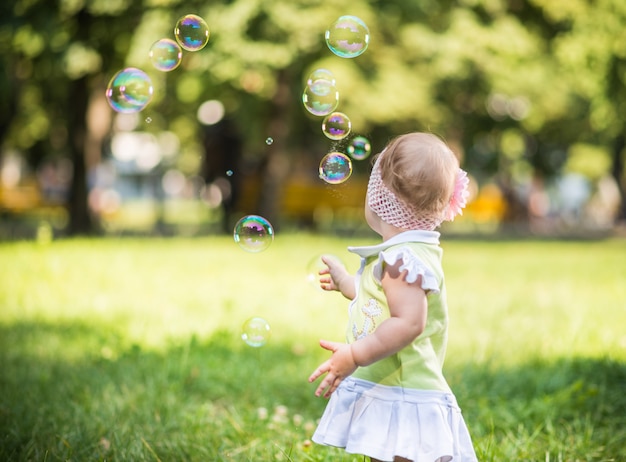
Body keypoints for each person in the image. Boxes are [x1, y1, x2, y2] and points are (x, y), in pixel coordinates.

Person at [308, 132, 478, 462]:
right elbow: (385, 304)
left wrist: (355, 354)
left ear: (380, 198)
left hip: (404, 389)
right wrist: (349, 284)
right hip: (394, 385)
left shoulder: (401, 261)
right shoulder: (409, 253)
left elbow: (408, 322)